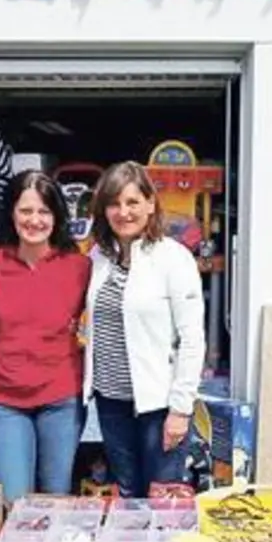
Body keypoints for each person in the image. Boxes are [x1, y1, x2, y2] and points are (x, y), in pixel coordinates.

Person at [83, 161, 206, 498]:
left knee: (163, 498)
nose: (123, 212)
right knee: (127, 495)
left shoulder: (173, 258)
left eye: (132, 202)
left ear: (151, 204)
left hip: (158, 406)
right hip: (111, 401)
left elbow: (192, 339)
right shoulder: (98, 257)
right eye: (114, 203)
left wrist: (180, 409)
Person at [0, 171, 92, 500]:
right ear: (11, 213)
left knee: (56, 499)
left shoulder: (80, 266)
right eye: (25, 211)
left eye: (44, 211)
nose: (34, 220)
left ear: (57, 217)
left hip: (61, 396)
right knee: (15, 503)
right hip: (5, 399)